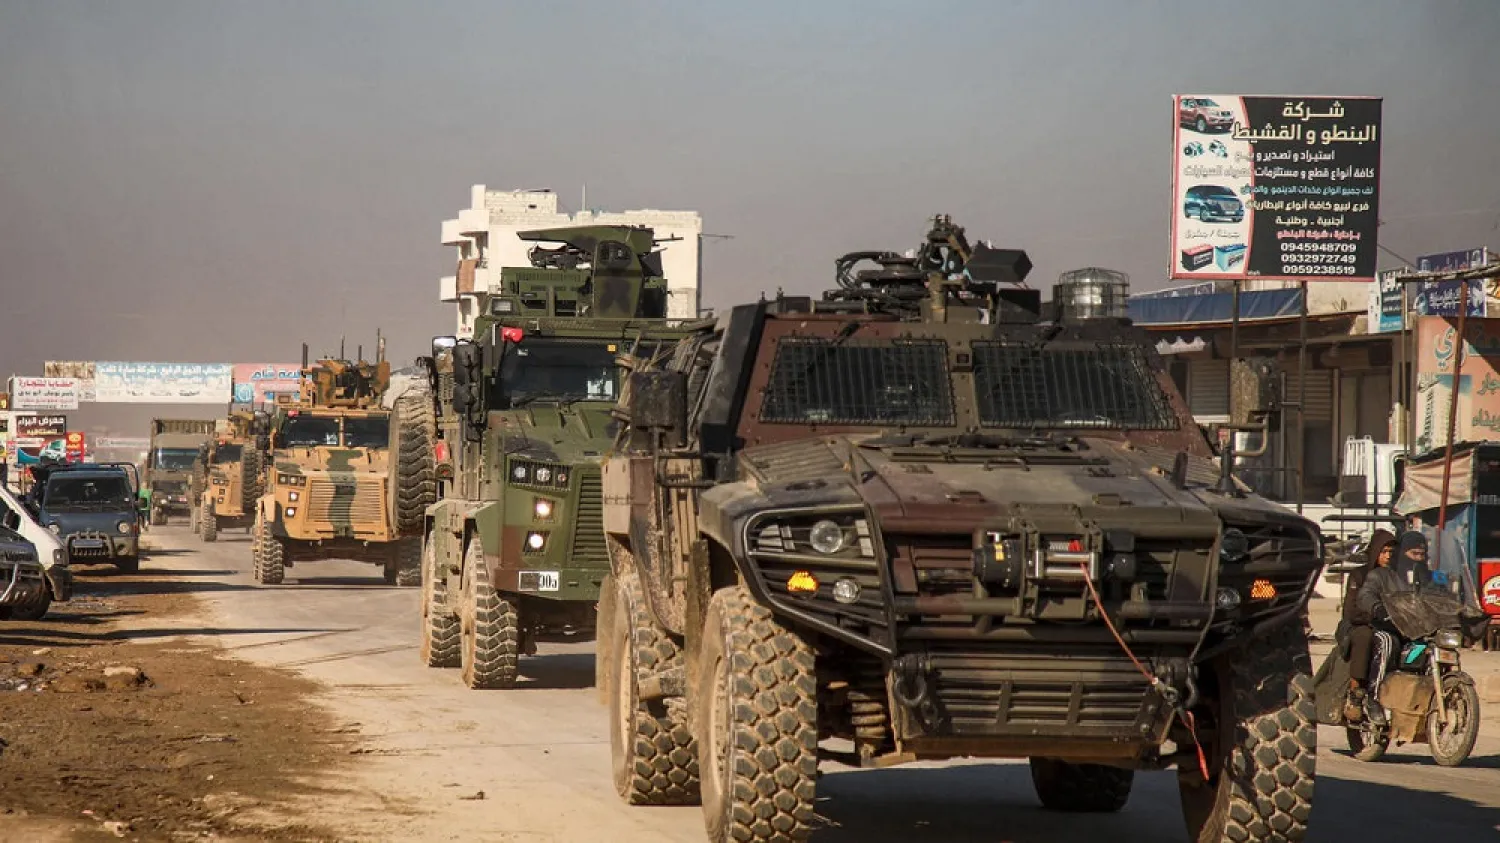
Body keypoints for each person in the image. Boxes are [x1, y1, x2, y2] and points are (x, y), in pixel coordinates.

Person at [1344, 530, 1430, 724]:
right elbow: (1352, 610)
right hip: (1363, 624)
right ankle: (1363, 696)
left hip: (1395, 625)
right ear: (1375, 551)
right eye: (1384, 551)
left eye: (1392, 552)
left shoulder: (1400, 576)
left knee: (1421, 646)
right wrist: (1378, 613)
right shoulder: (1361, 574)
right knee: (1371, 638)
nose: (1388, 556)